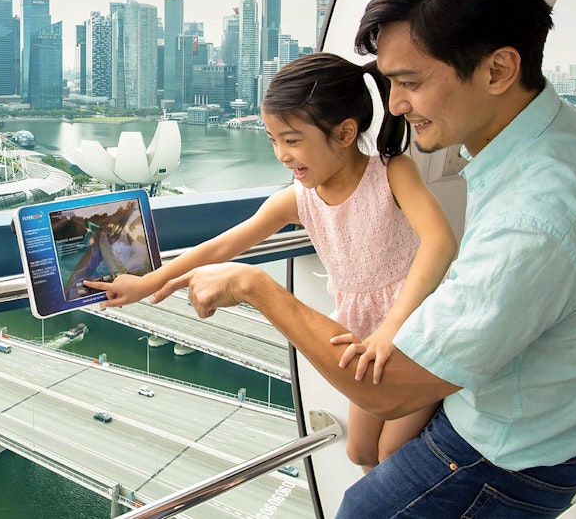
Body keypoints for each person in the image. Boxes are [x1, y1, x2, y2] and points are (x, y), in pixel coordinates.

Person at [154, 0, 576, 518]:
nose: (397, 103)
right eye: (388, 82)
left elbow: (387, 388)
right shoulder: (569, 141)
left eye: (410, 81)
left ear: (499, 69)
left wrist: (254, 287)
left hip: (504, 454)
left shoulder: (536, 213)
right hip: (557, 428)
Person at [88, 51, 457, 472]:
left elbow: (439, 241)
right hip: (358, 333)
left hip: (415, 326)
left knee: (392, 453)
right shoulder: (297, 199)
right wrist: (148, 282)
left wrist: (390, 330)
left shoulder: (393, 172)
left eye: (292, 140)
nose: (281, 154)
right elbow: (221, 247)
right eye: (273, 140)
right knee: (359, 452)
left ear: (344, 132)